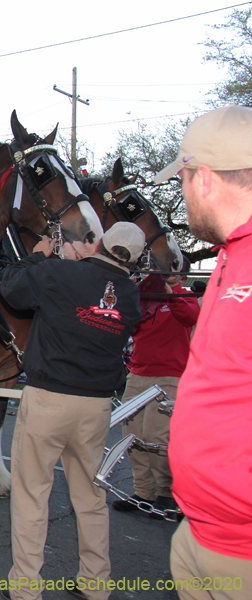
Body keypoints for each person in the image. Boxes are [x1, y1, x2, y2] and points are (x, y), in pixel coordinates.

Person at [0, 222, 144, 600]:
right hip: (95, 406)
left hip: (50, 398)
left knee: (32, 494)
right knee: (90, 497)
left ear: (98, 242)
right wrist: (77, 264)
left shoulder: (61, 271)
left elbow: (11, 286)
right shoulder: (129, 296)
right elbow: (100, 290)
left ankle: (26, 587)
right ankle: (95, 582)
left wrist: (43, 254)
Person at [152, 105, 252, 598]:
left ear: (205, 179)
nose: (182, 191)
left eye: (184, 179)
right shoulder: (231, 257)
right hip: (198, 533)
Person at [112, 254, 199, 519]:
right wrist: (137, 292)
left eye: (169, 272)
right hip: (139, 373)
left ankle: (166, 494)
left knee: (157, 436)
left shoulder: (185, 297)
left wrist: (169, 290)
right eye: (159, 271)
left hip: (170, 376)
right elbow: (130, 327)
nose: (162, 275)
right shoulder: (147, 297)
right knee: (133, 434)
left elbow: (189, 316)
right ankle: (143, 492)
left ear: (182, 276)